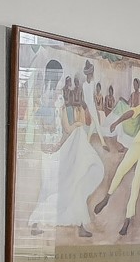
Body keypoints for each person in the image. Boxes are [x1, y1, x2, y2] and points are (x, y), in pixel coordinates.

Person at [26, 69, 106, 238]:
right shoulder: (44, 101)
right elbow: (45, 126)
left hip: (55, 150)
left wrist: (66, 136)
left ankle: (80, 223)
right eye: (57, 78)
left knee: (70, 184)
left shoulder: (57, 103)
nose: (59, 85)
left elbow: (65, 130)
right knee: (53, 188)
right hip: (49, 153)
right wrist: (76, 125)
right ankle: (36, 220)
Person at [93, 66, 140, 238]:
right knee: (120, 170)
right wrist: (117, 121)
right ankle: (107, 198)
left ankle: (127, 219)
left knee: (136, 183)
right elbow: (133, 112)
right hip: (137, 145)